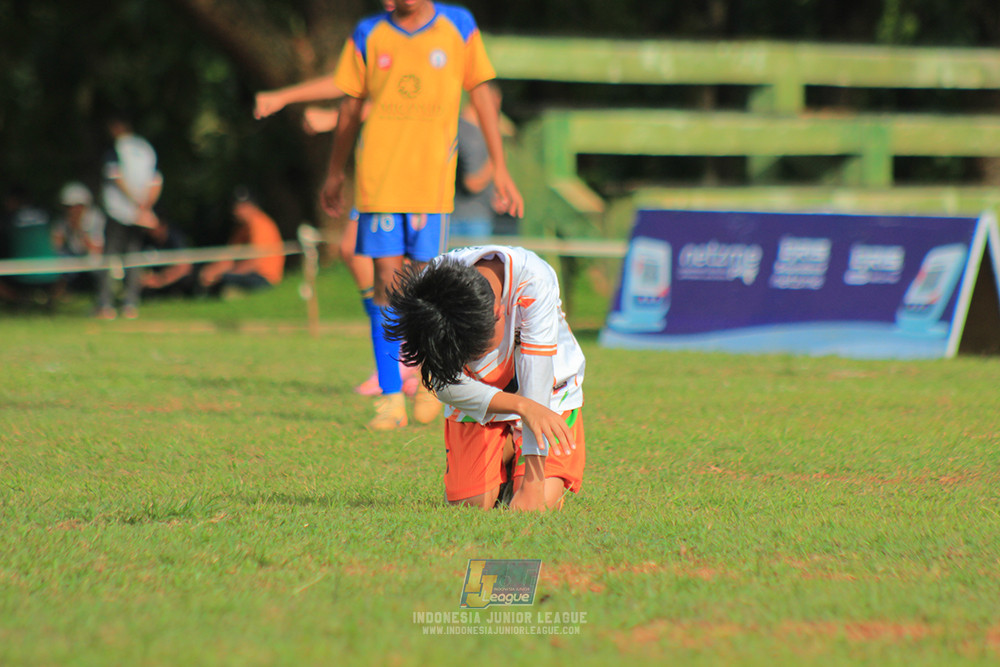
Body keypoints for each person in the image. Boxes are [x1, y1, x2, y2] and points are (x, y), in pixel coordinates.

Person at [320, 0, 525, 431]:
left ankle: (430, 381)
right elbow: (350, 107)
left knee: (424, 286)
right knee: (384, 283)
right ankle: (391, 397)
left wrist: (500, 167)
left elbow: (483, 93)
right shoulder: (369, 34)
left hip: (429, 185)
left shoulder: (458, 25)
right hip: (379, 181)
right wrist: (336, 173)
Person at [385, 245, 586, 512]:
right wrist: (521, 407)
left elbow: (537, 381)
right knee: (470, 505)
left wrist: (532, 485)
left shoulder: (534, 280)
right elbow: (443, 383)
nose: (475, 360)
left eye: (481, 348)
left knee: (542, 503)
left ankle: (519, 459)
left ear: (499, 310)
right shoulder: (431, 293)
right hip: (484, 402)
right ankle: (508, 451)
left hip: (551, 395)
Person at [97, 114, 163, 320]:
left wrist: (134, 201)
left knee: (110, 258)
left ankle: (106, 305)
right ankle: (130, 305)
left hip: (119, 212)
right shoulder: (145, 148)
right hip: (139, 214)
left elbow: (116, 177)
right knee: (134, 258)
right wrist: (145, 206)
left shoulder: (116, 148)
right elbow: (156, 181)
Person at [198, 190, 284, 296]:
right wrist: (211, 271)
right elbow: (230, 256)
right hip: (249, 274)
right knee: (207, 277)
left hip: (265, 278)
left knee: (223, 280)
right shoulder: (243, 228)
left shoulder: (261, 225)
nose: (236, 211)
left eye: (241, 207)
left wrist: (225, 273)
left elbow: (254, 263)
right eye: (236, 207)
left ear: (252, 206)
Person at [51, 182, 105, 293]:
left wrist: (79, 229)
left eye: (76, 206)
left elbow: (96, 248)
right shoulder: (64, 220)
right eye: (68, 207)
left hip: (92, 254)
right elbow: (56, 245)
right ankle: (57, 293)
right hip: (72, 255)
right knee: (60, 259)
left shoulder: (95, 218)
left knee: (95, 261)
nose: (72, 210)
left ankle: (103, 291)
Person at [140, 215, 195, 298]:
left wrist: (160, 280)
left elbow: (185, 267)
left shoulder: (175, 239)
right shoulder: (146, 240)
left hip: (173, 281)